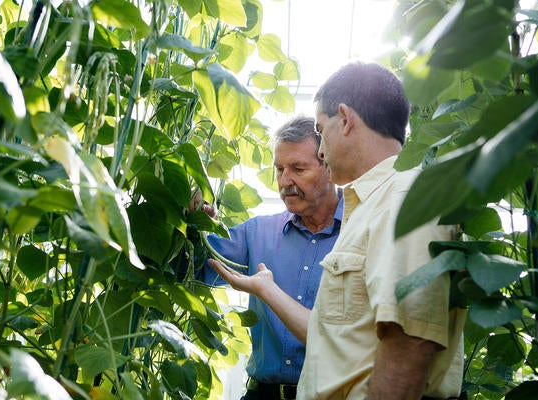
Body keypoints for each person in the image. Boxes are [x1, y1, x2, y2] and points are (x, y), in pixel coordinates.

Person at [209, 62, 467, 400]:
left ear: (344, 119)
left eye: (321, 128)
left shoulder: (404, 199)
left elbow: (410, 342)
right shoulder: (370, 206)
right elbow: (341, 336)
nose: (320, 148)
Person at [194, 116, 343, 400]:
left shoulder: (362, 231)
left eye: (298, 168)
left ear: (329, 166)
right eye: (279, 169)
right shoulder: (257, 233)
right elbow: (191, 268)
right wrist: (194, 224)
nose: (285, 181)